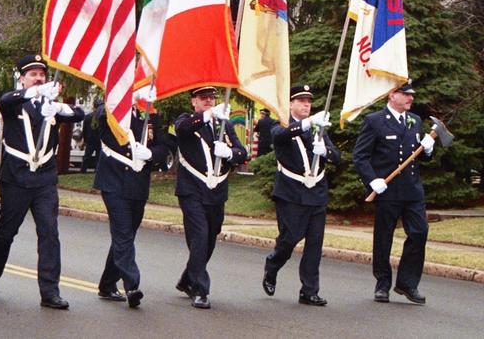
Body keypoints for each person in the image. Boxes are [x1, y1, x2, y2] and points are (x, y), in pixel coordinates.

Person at [0, 55, 84, 310]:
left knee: (49, 234)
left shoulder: (50, 105)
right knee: (6, 231)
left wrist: (59, 108)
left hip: (44, 179)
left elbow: (80, 114)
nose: (39, 78)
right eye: (33, 74)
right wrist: (36, 92)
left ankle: (50, 292)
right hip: (15, 178)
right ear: (22, 78)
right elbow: (4, 100)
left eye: (42, 74)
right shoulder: (14, 103)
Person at [352, 81, 435, 305]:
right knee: (383, 238)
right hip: (387, 190)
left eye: (412, 95)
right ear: (392, 95)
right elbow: (360, 156)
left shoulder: (415, 121)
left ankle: (407, 283)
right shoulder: (375, 121)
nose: (410, 99)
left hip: (412, 190)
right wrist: (372, 180)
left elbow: (419, 156)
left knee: (419, 232)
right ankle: (382, 283)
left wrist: (428, 149)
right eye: (405, 95)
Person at [262, 84, 340, 306]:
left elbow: (337, 155)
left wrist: (325, 151)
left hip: (316, 192)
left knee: (315, 243)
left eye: (309, 101)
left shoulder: (319, 129)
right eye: (301, 101)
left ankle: (309, 290)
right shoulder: (283, 123)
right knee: (290, 238)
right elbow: (279, 136)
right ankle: (273, 264)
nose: (306, 104)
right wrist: (307, 123)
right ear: (290, 104)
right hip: (291, 193)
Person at [174, 86, 247, 309]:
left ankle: (187, 279)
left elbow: (242, 152)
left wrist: (229, 153)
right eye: (203, 98)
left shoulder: (222, 126)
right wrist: (207, 115)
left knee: (211, 239)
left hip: (216, 192)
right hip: (192, 190)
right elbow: (182, 129)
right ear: (193, 101)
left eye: (211, 98)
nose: (208, 100)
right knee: (200, 236)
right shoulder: (187, 121)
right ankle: (201, 290)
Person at [94, 92, 169, 308]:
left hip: (138, 184)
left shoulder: (151, 115)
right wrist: (127, 97)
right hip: (113, 181)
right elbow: (100, 114)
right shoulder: (113, 108)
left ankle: (107, 284)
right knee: (123, 232)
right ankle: (132, 285)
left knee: (126, 235)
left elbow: (163, 148)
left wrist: (151, 154)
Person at [81, 98, 103, 173]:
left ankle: (83, 170)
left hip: (90, 139)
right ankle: (96, 171)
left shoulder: (87, 117)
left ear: (93, 106)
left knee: (87, 156)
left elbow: (84, 130)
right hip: (99, 139)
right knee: (98, 157)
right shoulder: (102, 117)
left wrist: (84, 140)